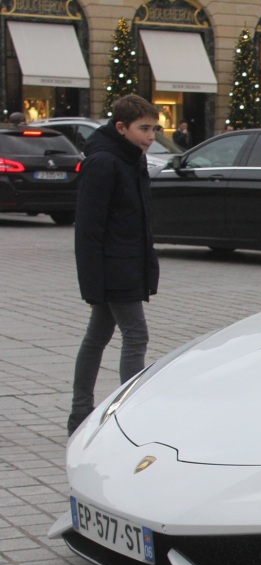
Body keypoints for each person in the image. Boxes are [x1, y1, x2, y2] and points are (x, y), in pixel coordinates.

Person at [68, 95, 161, 436]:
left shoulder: (131, 158)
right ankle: (127, 416)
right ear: (121, 128)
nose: (151, 136)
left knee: (98, 335)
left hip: (127, 263)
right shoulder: (105, 163)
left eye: (154, 129)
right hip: (114, 266)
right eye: (143, 129)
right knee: (136, 336)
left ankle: (80, 412)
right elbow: (89, 228)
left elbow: (137, 221)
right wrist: (92, 283)